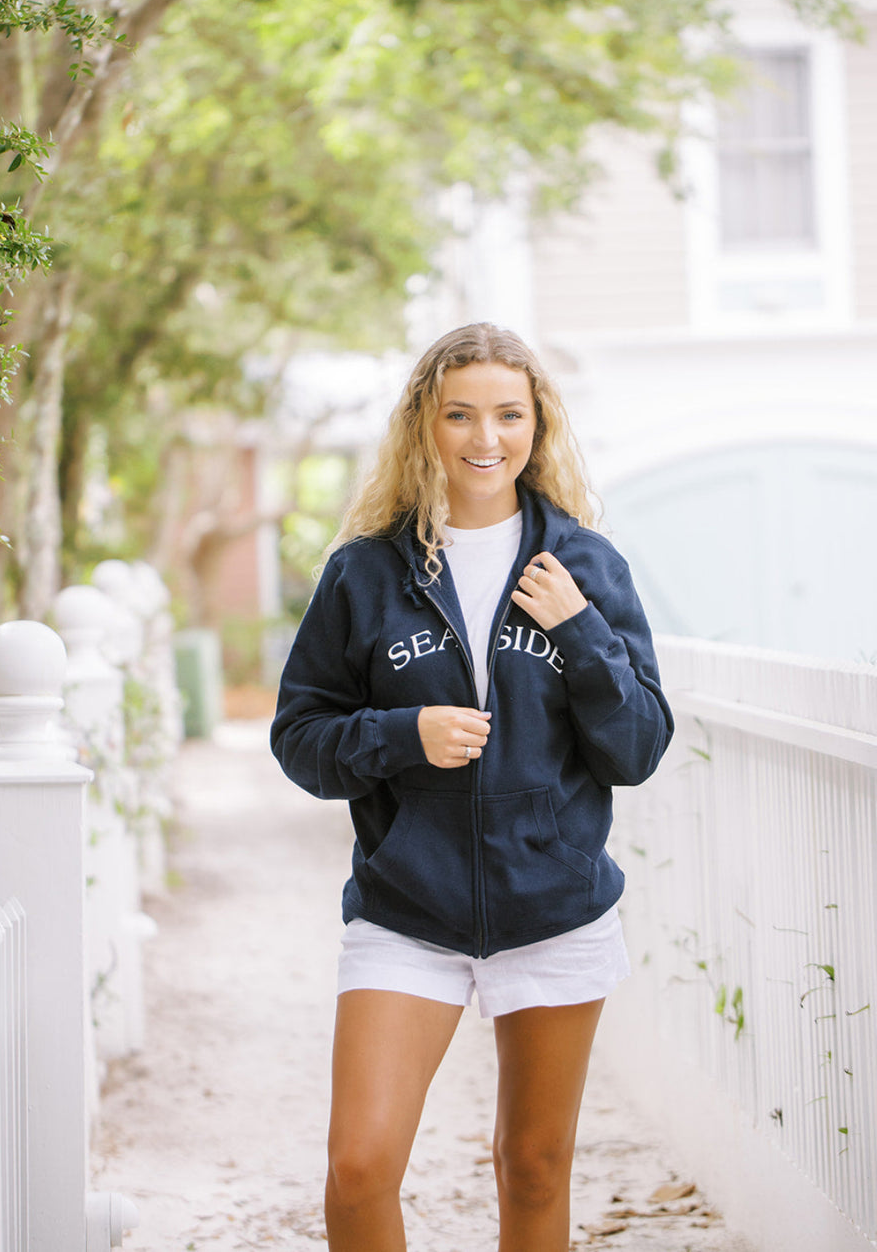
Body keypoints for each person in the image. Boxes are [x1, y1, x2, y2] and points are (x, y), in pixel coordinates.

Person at [270, 322, 673, 1252]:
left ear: (538, 425)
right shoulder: (366, 571)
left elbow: (640, 746)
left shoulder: (585, 565)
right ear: (425, 425)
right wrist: (402, 734)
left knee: (533, 1167)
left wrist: (580, 632)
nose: (484, 438)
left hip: (556, 906)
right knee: (360, 1166)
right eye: (460, 415)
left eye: (507, 414)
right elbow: (300, 738)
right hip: (407, 910)